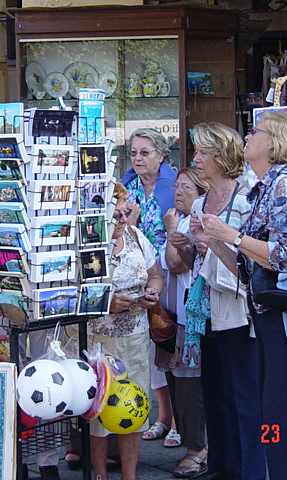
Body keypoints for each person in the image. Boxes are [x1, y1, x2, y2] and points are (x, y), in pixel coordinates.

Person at [197, 112, 287, 480]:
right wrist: (214, 240)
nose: (248, 136)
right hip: (273, 314)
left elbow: (285, 255)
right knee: (275, 415)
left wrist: (231, 235)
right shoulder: (266, 186)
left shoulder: (284, 183)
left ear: (274, 142)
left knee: (281, 418)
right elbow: (247, 267)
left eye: (256, 131)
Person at [187, 122, 266, 480]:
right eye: (196, 152)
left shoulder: (246, 196)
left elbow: (250, 269)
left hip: (239, 314)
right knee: (215, 395)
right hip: (207, 312)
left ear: (222, 155)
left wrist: (213, 242)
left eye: (203, 152)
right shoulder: (201, 201)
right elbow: (197, 265)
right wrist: (189, 246)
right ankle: (222, 467)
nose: (196, 159)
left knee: (244, 399)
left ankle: (250, 470)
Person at [88, 182, 164, 480]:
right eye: (115, 215)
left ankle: (130, 476)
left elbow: (155, 275)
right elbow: (75, 292)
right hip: (98, 338)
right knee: (99, 406)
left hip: (135, 336)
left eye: (125, 213)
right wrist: (107, 304)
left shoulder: (136, 236)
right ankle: (100, 474)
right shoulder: (91, 243)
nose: (122, 220)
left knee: (135, 404)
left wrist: (152, 293)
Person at [121, 127, 178, 446]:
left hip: (172, 271)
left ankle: (182, 420)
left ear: (161, 154)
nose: (138, 158)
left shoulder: (174, 183)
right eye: (133, 152)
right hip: (138, 273)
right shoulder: (126, 185)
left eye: (145, 152)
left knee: (173, 342)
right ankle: (163, 416)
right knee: (152, 346)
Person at [159, 167, 209, 478]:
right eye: (177, 186)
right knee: (177, 381)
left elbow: (176, 264)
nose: (178, 192)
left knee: (191, 385)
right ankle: (192, 442)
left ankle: (198, 448)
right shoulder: (181, 219)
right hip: (177, 315)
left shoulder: (194, 222)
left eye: (186, 187)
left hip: (193, 317)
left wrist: (170, 232)